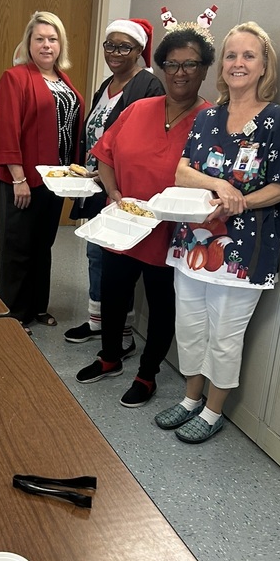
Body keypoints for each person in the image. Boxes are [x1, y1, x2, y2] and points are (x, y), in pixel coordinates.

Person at [154, 21, 280, 443]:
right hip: (192, 244)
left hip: (244, 252)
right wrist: (219, 186)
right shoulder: (208, 118)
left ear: (263, 67)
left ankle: (213, 409)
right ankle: (189, 398)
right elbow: (182, 172)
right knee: (189, 326)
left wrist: (242, 200)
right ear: (221, 65)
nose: (238, 63)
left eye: (248, 56)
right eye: (231, 55)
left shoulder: (277, 121)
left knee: (225, 334)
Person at [75, 23, 215, 408]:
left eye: (190, 64)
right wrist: (115, 193)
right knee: (113, 292)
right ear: (161, 68)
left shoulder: (211, 122)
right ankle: (109, 358)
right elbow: (104, 155)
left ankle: (147, 373)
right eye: (171, 64)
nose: (180, 72)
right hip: (124, 223)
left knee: (161, 304)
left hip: (172, 234)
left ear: (205, 70)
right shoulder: (138, 109)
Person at [64, 18, 164, 356]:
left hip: (123, 191)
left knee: (118, 263)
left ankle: (121, 333)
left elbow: (143, 144)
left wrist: (110, 180)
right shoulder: (107, 84)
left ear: (138, 51)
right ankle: (98, 320)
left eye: (124, 47)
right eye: (110, 45)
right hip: (98, 183)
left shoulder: (147, 86)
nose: (115, 53)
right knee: (96, 253)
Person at [0, 10, 84, 331]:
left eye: (53, 39)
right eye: (39, 39)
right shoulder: (15, 77)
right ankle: (12, 314)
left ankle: (37, 307)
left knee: (42, 246)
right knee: (17, 248)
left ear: (61, 44)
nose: (46, 45)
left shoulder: (63, 80)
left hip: (56, 181)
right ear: (29, 43)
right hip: (25, 180)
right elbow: (8, 132)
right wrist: (18, 178)